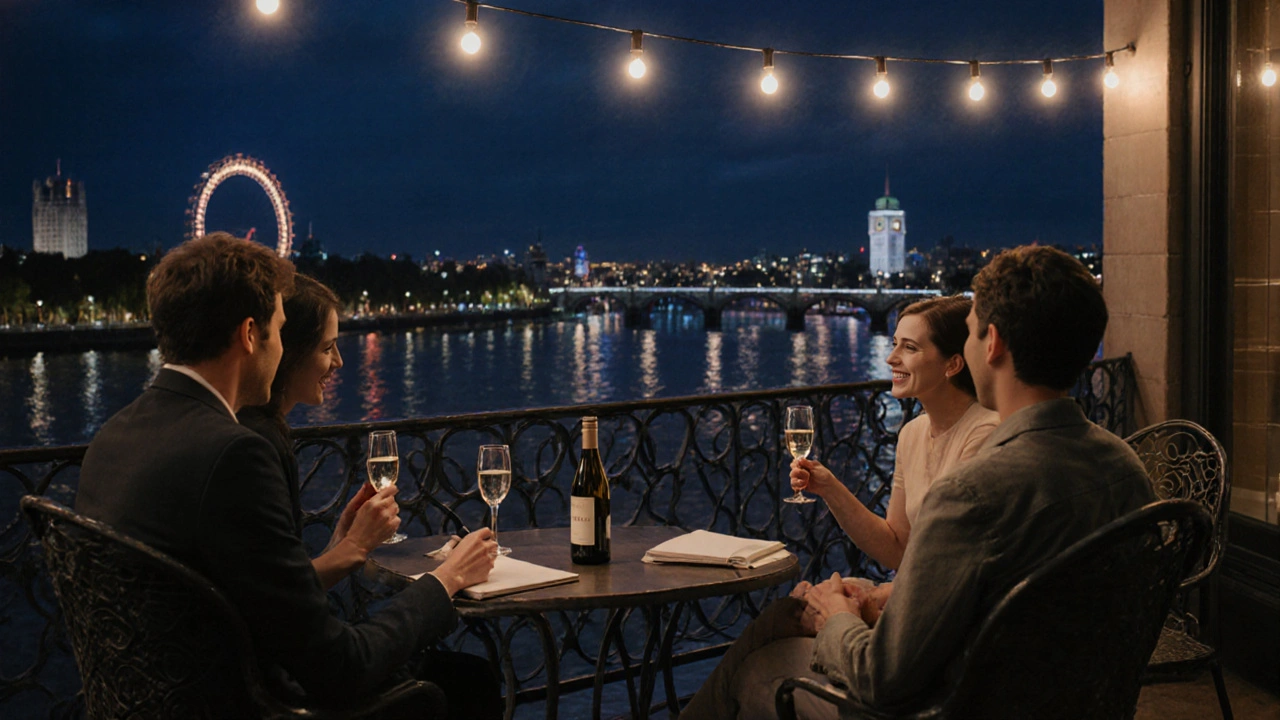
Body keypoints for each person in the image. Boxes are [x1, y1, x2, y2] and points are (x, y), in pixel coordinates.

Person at [685, 245, 1155, 719]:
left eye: (969, 333)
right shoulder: (1127, 468)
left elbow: (882, 678)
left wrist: (838, 618)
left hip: (956, 704)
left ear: (990, 344)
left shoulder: (974, 491)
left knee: (762, 668)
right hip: (1071, 701)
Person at [75, 233, 503, 719]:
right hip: (247, 705)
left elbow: (245, 597)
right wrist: (443, 581)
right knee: (466, 688)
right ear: (250, 334)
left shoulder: (114, 435)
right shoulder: (234, 454)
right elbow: (341, 667)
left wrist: (338, 557)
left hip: (139, 703)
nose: (280, 349)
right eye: (279, 330)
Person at [789, 295, 999, 617]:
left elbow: (959, 571)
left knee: (795, 615)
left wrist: (867, 599)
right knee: (790, 610)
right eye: (895, 343)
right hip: (911, 594)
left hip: (943, 613)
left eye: (909, 348)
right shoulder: (912, 434)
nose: (891, 358)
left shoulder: (984, 434)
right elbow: (897, 548)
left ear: (952, 364)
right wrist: (829, 487)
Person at [237, 274, 397, 590]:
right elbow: (283, 600)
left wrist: (343, 541)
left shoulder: (257, 428)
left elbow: (286, 585)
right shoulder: (253, 445)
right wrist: (359, 545)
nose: (338, 362)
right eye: (328, 348)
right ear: (289, 351)